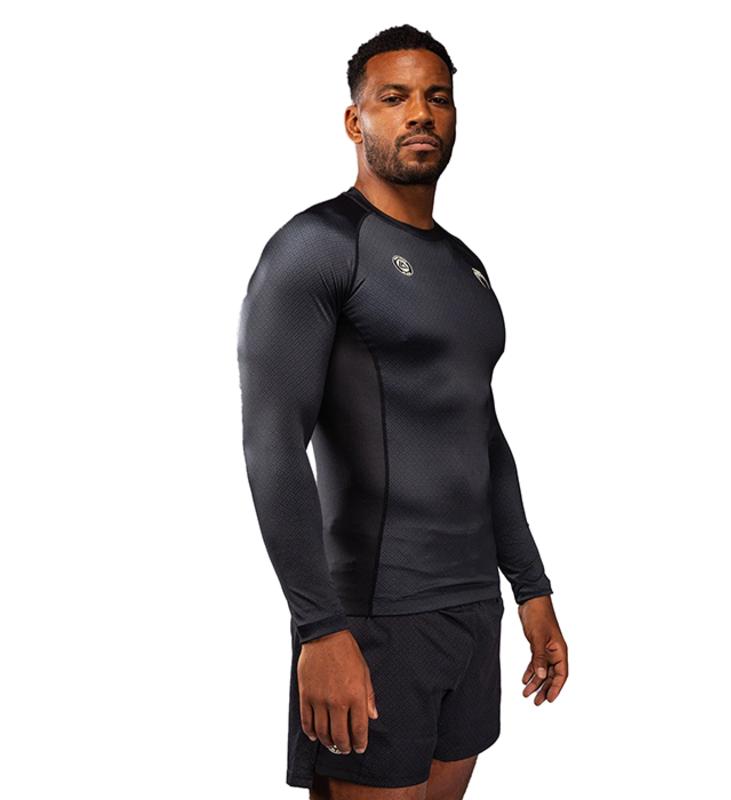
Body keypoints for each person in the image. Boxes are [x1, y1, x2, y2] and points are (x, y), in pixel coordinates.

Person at [237, 23, 569, 800]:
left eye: (437, 97)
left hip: (471, 611)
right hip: (374, 616)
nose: (420, 112)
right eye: (394, 97)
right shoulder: (318, 247)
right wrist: (319, 627)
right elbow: (272, 444)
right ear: (355, 121)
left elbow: (482, 436)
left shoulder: (466, 266)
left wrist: (531, 589)